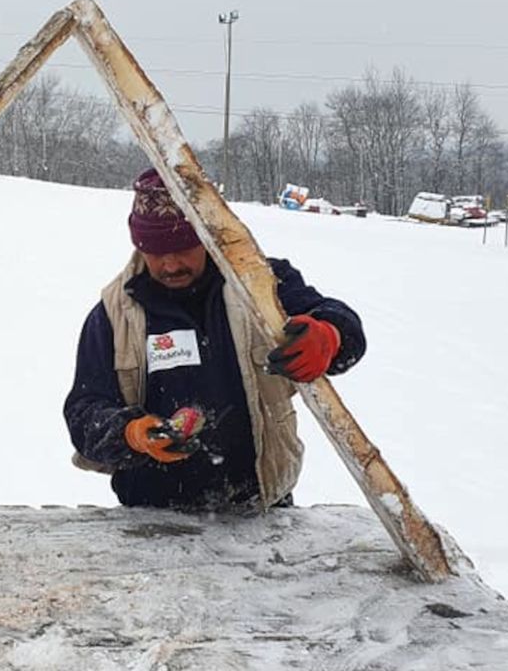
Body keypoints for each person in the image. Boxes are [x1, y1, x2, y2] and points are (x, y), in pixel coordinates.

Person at [64, 168, 365, 510]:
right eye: (156, 251)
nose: (171, 264)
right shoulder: (113, 315)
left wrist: (330, 335)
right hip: (153, 520)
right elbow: (84, 413)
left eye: (184, 247)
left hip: (262, 511)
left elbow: (342, 324)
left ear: (207, 235)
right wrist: (132, 434)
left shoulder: (261, 284)